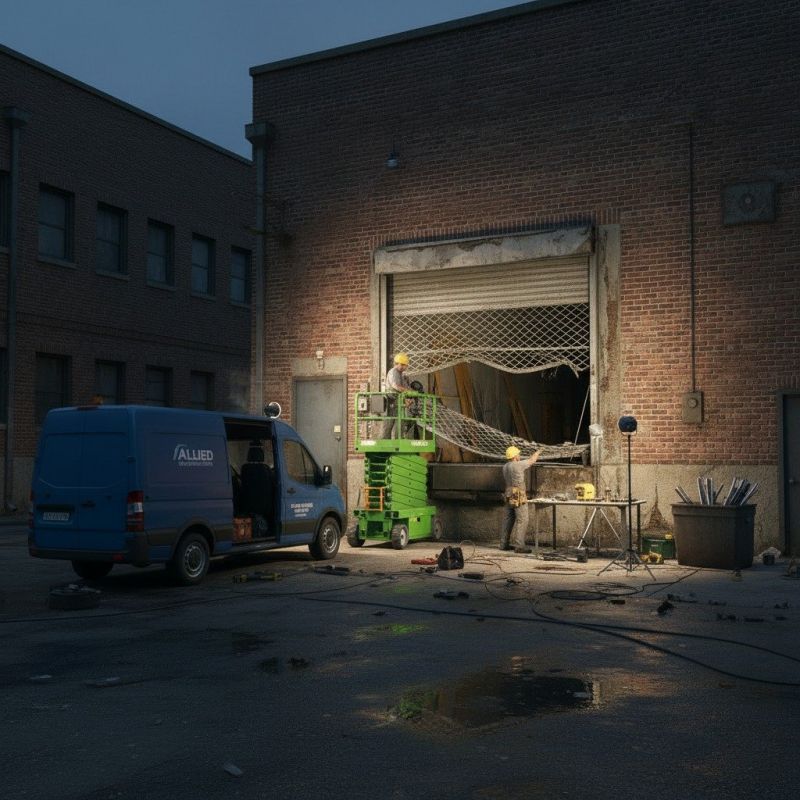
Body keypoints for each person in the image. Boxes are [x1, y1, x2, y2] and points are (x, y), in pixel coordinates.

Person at [500, 445, 541, 554]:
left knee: (508, 519)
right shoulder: (518, 465)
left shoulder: (505, 466)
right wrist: (538, 452)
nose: (519, 455)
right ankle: (519, 546)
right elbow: (532, 461)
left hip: (508, 494)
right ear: (514, 456)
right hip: (518, 494)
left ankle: (503, 544)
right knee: (522, 519)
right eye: (518, 454)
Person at [381, 352, 413, 439]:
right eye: (404, 365)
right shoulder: (394, 372)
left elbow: (406, 387)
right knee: (388, 424)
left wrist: (411, 393)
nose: (405, 367)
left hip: (398, 401)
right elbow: (396, 386)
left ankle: (397, 441)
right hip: (391, 401)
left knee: (400, 423)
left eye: (405, 365)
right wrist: (409, 392)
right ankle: (384, 442)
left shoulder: (401, 375)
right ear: (398, 364)